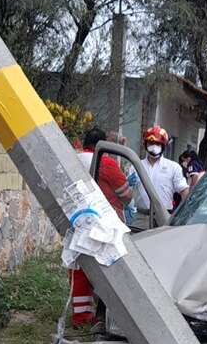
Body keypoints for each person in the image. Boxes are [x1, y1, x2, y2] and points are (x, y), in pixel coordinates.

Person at [68, 127, 133, 327]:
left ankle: (81, 316)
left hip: (77, 223)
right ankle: (105, 315)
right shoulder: (106, 163)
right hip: (106, 228)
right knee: (109, 271)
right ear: (102, 145)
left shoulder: (73, 161)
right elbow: (126, 195)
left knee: (79, 269)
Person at [134, 125, 188, 219]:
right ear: (146, 144)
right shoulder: (136, 165)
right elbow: (127, 191)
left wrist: (183, 215)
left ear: (163, 146)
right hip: (140, 216)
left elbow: (184, 192)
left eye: (158, 144)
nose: (154, 147)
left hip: (164, 217)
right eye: (151, 143)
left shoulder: (173, 168)